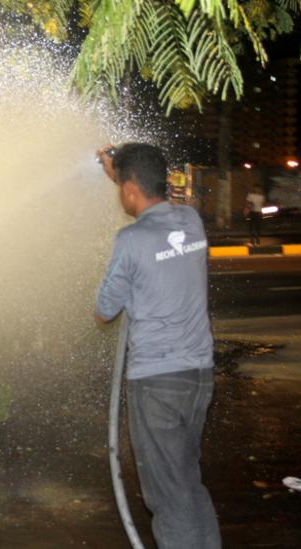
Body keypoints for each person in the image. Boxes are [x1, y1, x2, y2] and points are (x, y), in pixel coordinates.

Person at [95, 143, 221, 549]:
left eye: (121, 186)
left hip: (157, 382)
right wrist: (118, 171)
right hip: (198, 376)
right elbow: (144, 190)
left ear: (129, 189)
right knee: (186, 481)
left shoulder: (130, 240)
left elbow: (103, 310)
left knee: (168, 495)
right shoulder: (192, 221)